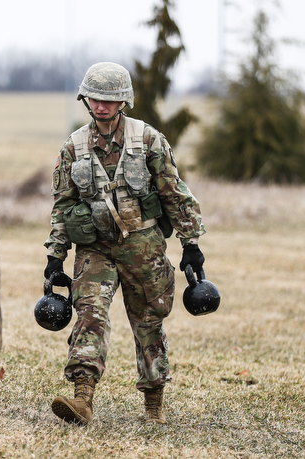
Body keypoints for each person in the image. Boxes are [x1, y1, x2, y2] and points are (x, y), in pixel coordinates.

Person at [43, 62, 206, 425]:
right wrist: (55, 255)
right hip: (95, 248)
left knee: (148, 322)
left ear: (123, 101)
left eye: (109, 99)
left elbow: (175, 195)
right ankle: (82, 399)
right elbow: (63, 206)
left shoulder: (148, 140)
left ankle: (153, 406)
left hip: (143, 245)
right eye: (95, 98)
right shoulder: (74, 146)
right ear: (86, 99)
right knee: (89, 314)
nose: (101, 106)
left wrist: (190, 244)